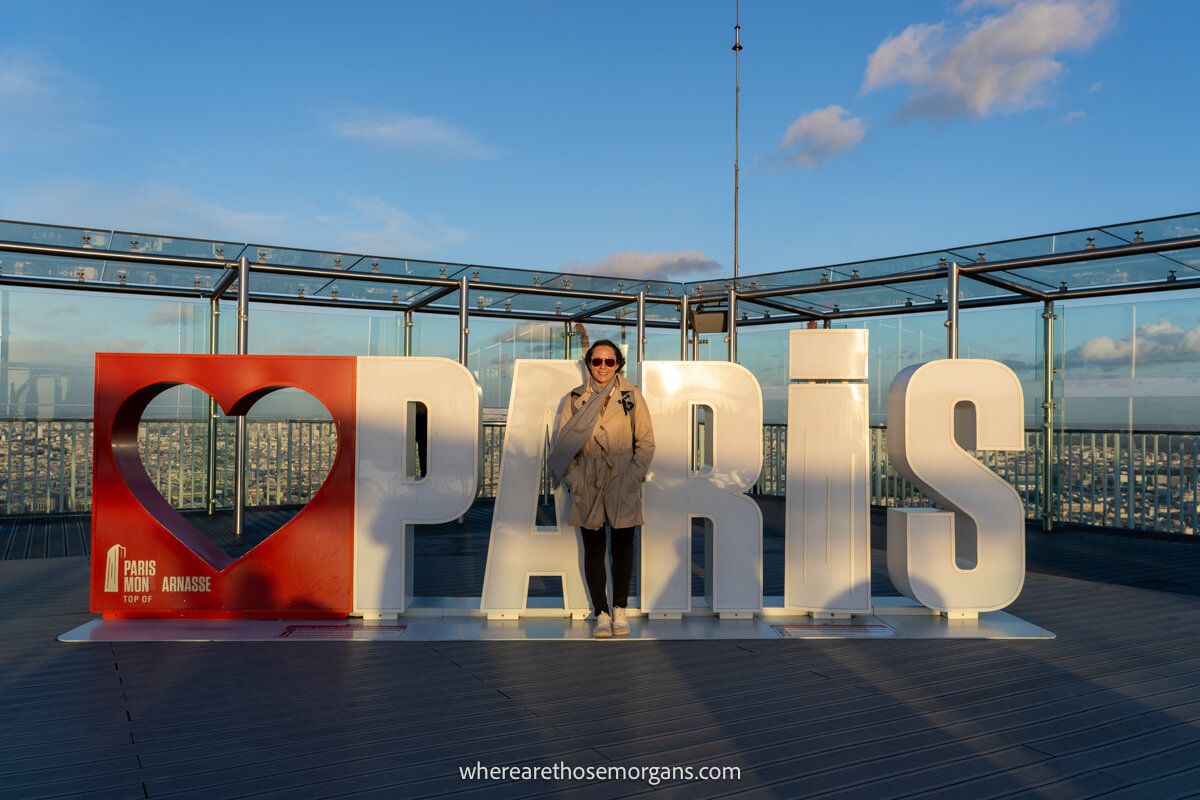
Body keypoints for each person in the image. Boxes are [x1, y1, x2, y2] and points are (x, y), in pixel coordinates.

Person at [548, 339, 655, 638]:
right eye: (597, 362)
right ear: (589, 364)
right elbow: (563, 446)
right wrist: (577, 480)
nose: (603, 367)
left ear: (618, 363)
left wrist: (632, 476)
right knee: (593, 550)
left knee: (623, 548)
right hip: (588, 480)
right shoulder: (573, 399)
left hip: (623, 478)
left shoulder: (632, 396)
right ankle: (602, 613)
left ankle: (620, 609)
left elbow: (645, 442)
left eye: (609, 362)